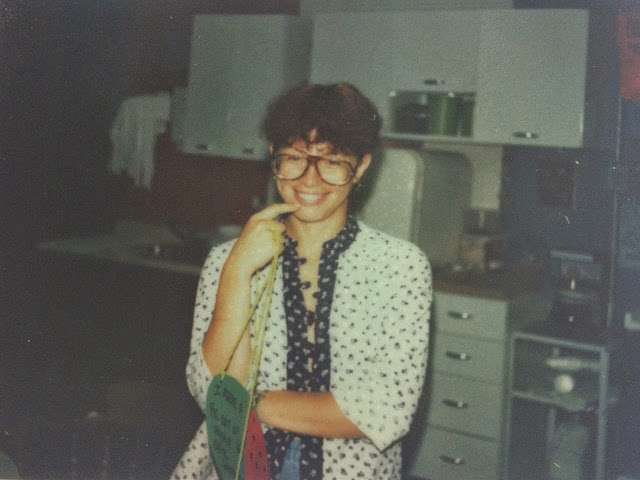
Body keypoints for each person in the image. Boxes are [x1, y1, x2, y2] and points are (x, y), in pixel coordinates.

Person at [172, 83, 432, 480]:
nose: (310, 180)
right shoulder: (228, 260)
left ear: (361, 166)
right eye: (293, 158)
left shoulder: (400, 266)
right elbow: (211, 392)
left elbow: (387, 410)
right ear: (273, 157)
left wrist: (252, 404)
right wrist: (238, 273)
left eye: (332, 162)